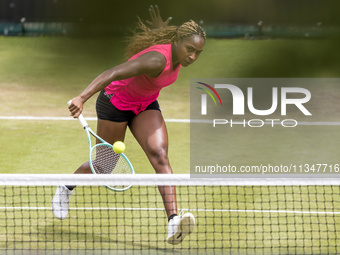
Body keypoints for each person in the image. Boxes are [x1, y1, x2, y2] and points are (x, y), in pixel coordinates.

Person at [52, 5, 206, 245]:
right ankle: (66, 186)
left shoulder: (175, 55)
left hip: (144, 104)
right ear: (177, 42)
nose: (193, 57)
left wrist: (160, 32)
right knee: (104, 167)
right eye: (190, 49)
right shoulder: (157, 59)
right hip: (115, 103)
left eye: (198, 52)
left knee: (160, 155)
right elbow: (113, 72)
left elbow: (165, 48)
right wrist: (82, 98)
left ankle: (173, 220)